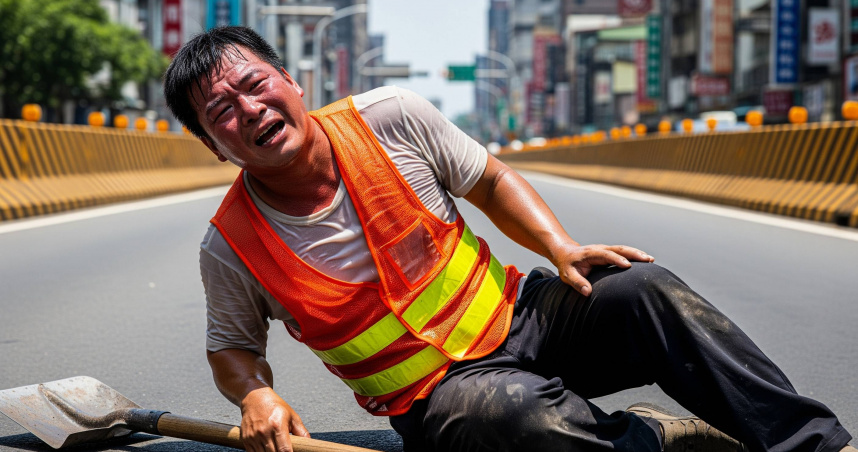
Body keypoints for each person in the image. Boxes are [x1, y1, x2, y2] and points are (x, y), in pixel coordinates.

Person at [163, 26, 854, 452]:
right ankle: (652, 437)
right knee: (519, 420)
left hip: (526, 317)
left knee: (646, 290)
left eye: (255, 85)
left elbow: (490, 181)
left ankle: (815, 446)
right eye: (221, 112)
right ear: (214, 147)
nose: (249, 110)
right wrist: (253, 395)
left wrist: (559, 247)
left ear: (292, 80)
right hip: (440, 396)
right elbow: (232, 350)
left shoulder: (390, 118)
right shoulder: (229, 247)